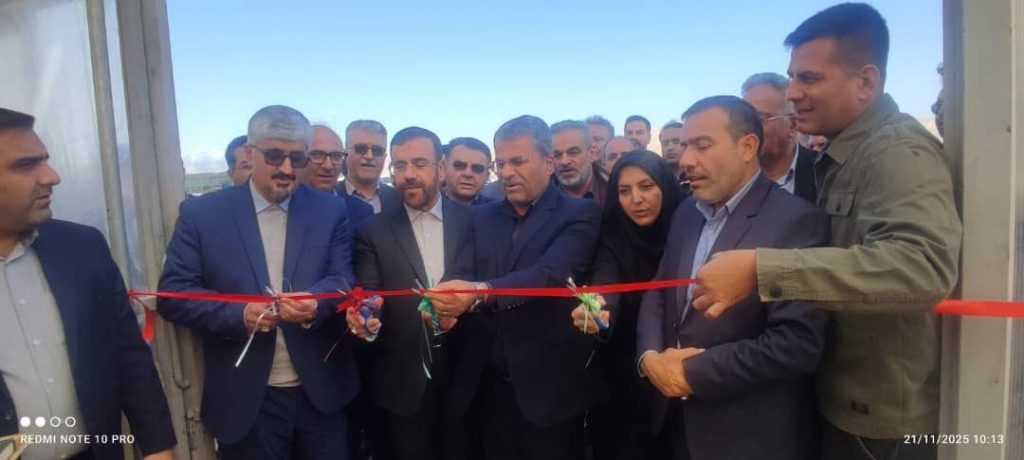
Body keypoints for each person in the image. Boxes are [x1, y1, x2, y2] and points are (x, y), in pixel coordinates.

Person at [691, 5, 962, 459]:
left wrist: (761, 270)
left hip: (879, 426)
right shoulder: (845, 154)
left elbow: (923, 267)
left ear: (866, 82)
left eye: (810, 79)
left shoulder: (897, 152)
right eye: (792, 78)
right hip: (841, 401)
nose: (793, 93)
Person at [158, 105, 359, 459]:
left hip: (321, 395)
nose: (287, 169)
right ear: (250, 153)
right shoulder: (203, 214)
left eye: (297, 158)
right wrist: (238, 315)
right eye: (275, 155)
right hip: (246, 399)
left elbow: (342, 278)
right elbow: (173, 294)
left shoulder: (328, 210)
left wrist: (315, 302)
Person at [636, 96, 829, 459]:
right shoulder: (686, 213)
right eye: (684, 146)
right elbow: (659, 292)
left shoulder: (796, 221)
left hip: (745, 437)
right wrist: (648, 357)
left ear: (747, 146)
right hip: (675, 425)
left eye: (702, 145)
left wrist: (691, 372)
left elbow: (797, 343)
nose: (686, 159)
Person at [0, 108, 176, 460]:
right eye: (26, 165)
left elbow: (129, 356)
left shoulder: (82, 248)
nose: (51, 176)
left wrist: (158, 448)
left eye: (46, 160)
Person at [426, 115, 604, 460]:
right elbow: (461, 271)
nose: (506, 172)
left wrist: (478, 292)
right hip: (484, 388)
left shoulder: (580, 213)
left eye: (518, 161)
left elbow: (550, 274)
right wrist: (441, 305)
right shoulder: (482, 216)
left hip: (547, 391)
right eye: (501, 163)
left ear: (548, 162)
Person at [348, 127, 474, 460]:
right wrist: (365, 319)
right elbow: (370, 296)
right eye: (400, 165)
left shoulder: (475, 221)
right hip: (403, 385)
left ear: (441, 167)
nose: (408, 175)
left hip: (469, 381)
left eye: (419, 163)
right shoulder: (371, 231)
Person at [571, 150, 679, 460]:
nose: (636, 199)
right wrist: (596, 309)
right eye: (624, 191)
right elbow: (606, 282)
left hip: (682, 362)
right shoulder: (613, 235)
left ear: (665, 186)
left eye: (646, 186)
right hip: (625, 373)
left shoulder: (688, 225)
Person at [741, 72, 817, 202]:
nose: (748, 129)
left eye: (760, 119)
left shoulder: (823, 171)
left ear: (792, 125)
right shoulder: (731, 176)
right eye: (744, 120)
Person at [301, 125, 373, 233]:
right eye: (317, 155)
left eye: (336, 156)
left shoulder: (361, 212)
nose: (328, 166)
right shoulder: (281, 206)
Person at [338, 120, 402, 214]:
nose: (369, 156)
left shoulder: (400, 200)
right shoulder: (328, 197)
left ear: (384, 157)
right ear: (346, 154)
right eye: (361, 149)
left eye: (377, 150)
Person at [552, 120, 607, 203]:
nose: (564, 161)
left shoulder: (615, 193)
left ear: (591, 153)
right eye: (557, 155)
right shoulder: (538, 198)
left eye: (573, 152)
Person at [443, 137, 495, 205]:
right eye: (459, 166)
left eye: (477, 168)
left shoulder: (500, 210)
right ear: (443, 168)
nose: (468, 174)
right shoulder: (429, 206)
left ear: (487, 176)